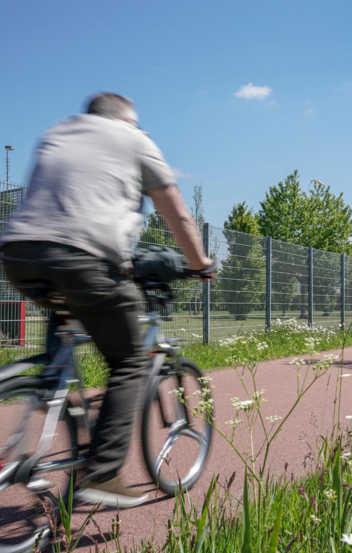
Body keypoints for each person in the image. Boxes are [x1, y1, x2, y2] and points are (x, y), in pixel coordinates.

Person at [0, 93, 213, 508]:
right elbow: (176, 212)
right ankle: (102, 474)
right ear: (128, 120)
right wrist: (199, 261)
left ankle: (49, 390)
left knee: (65, 312)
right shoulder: (134, 139)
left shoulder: (58, 132)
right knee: (131, 360)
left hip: (19, 254)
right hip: (84, 257)